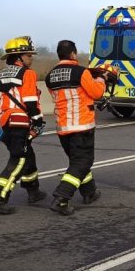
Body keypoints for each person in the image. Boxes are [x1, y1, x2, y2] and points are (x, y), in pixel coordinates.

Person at [0, 36, 47, 215]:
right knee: (19, 159)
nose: (31, 58)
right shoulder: (28, 73)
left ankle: (33, 191)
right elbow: (30, 101)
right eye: (28, 55)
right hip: (20, 122)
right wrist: (38, 121)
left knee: (29, 156)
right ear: (19, 57)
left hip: (6, 123)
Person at [44, 40, 107, 215]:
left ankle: (89, 192)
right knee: (82, 162)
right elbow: (96, 93)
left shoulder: (50, 76)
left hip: (63, 128)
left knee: (77, 162)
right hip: (81, 126)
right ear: (73, 54)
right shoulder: (81, 72)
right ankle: (61, 198)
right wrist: (101, 79)